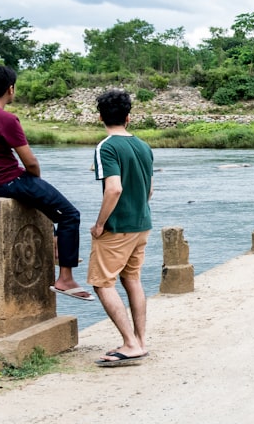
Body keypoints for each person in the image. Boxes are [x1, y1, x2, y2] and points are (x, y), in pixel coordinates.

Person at [0, 65, 92, 301]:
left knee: (47, 204)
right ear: (11, 89)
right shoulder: (6, 119)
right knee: (69, 214)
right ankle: (65, 278)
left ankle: (58, 248)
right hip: (6, 181)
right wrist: (36, 180)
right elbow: (30, 161)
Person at [89, 89, 154, 367]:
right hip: (142, 223)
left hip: (118, 227)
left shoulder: (106, 147)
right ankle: (139, 340)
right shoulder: (143, 146)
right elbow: (149, 190)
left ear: (100, 117)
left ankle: (129, 344)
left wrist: (100, 223)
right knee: (132, 280)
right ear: (129, 118)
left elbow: (113, 189)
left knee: (102, 283)